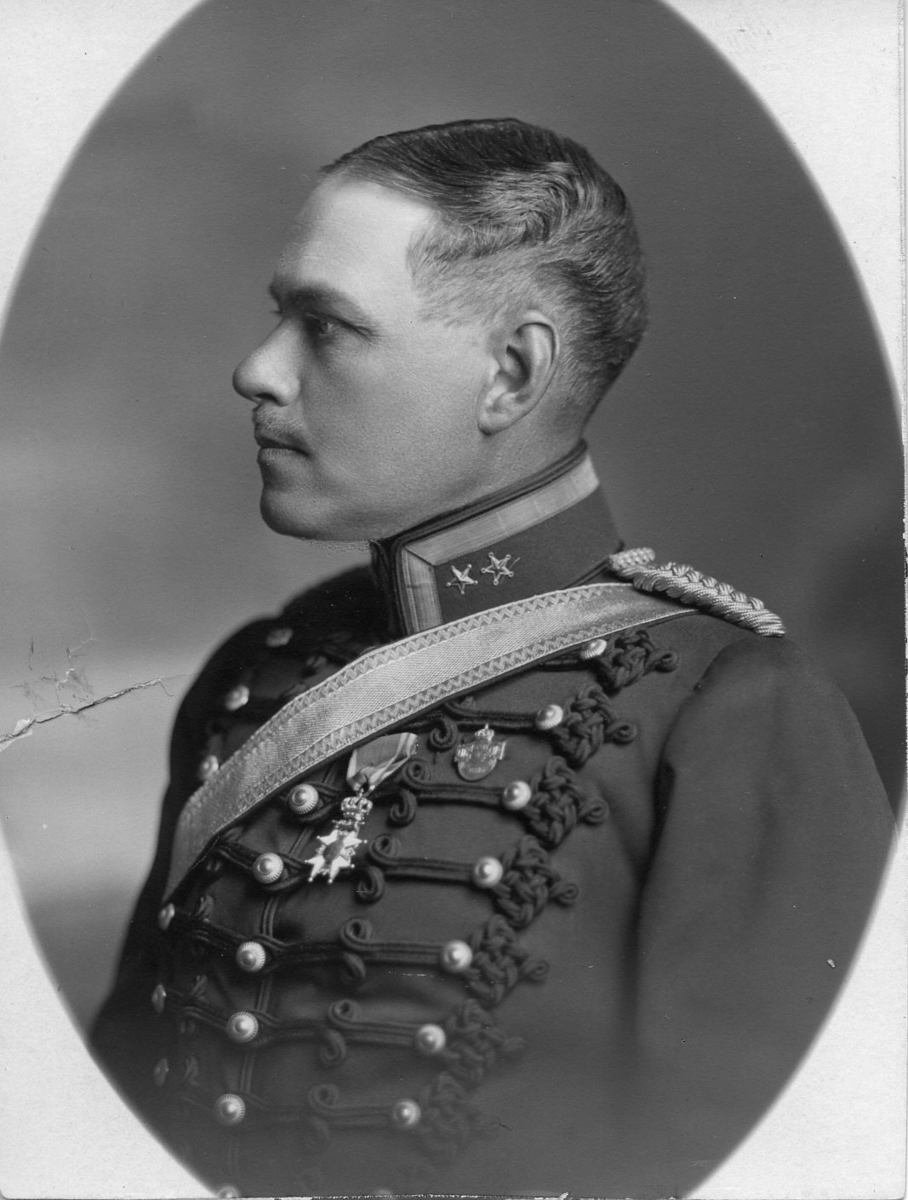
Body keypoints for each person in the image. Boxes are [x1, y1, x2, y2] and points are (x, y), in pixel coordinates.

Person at [91, 118, 893, 1199]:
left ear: (510, 374)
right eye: (279, 316)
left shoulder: (730, 710)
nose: (257, 370)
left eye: (326, 327)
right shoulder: (256, 676)